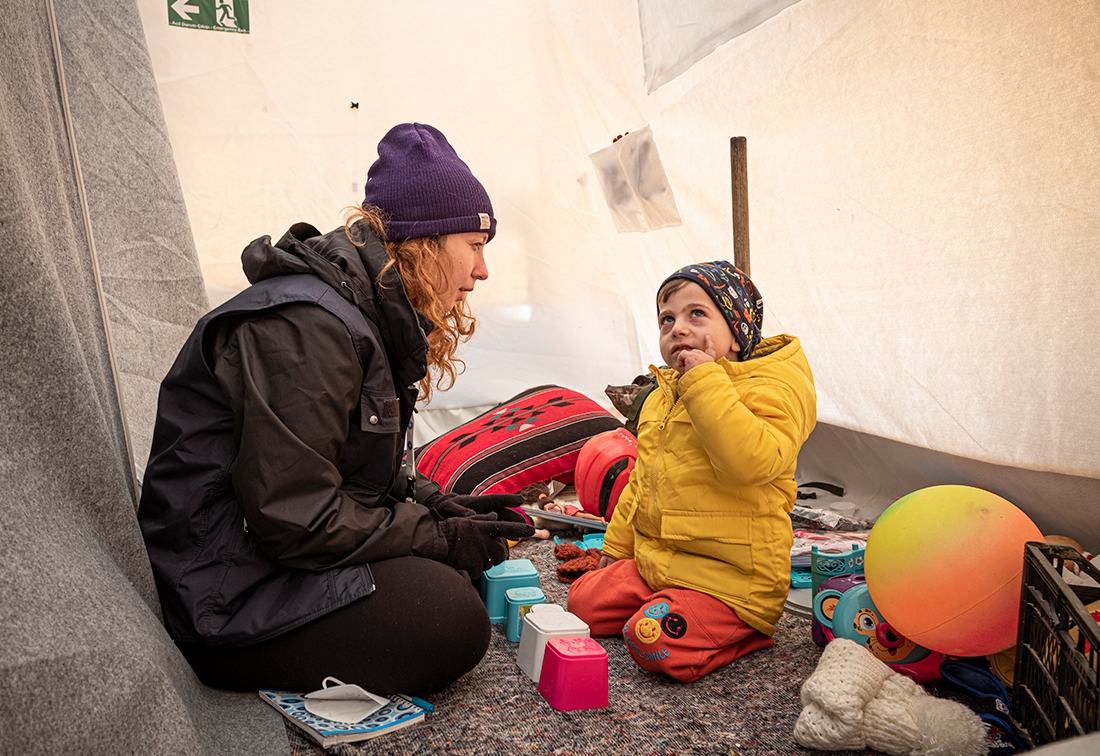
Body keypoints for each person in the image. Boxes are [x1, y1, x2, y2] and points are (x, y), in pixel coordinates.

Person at [138, 123, 534, 696]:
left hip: (264, 558)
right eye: (474, 246)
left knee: (452, 571)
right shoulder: (309, 328)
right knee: (449, 618)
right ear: (426, 242)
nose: (482, 271)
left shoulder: (357, 314)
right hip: (222, 597)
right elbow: (295, 517)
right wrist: (435, 536)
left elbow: (346, 467)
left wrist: (437, 505)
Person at [566, 261, 817, 682]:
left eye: (696, 314)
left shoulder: (769, 386)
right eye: (667, 319)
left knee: (652, 643)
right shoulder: (665, 395)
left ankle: (746, 632)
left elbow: (752, 461)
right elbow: (642, 483)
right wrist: (617, 548)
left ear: (736, 333)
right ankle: (660, 597)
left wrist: (704, 382)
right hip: (660, 564)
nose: (677, 328)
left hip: (730, 580)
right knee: (581, 606)